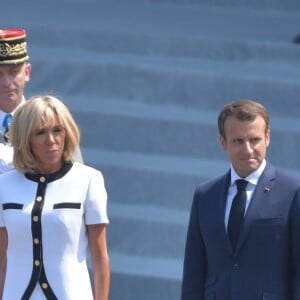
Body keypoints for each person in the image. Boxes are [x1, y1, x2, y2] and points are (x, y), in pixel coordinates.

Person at [181, 99, 300, 300]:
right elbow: (194, 272)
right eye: (238, 141)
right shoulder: (205, 195)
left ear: (267, 138)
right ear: (223, 142)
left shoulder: (292, 191)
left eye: (254, 140)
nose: (247, 149)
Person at [0, 95, 110, 299]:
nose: (51, 140)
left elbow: (100, 257)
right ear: (26, 138)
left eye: (57, 130)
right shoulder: (4, 186)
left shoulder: (88, 180)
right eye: (40, 133)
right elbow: (2, 260)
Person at [0, 28, 82, 173]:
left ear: (26, 72)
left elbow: (75, 180)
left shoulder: (52, 119)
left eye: (14, 72)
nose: (7, 82)